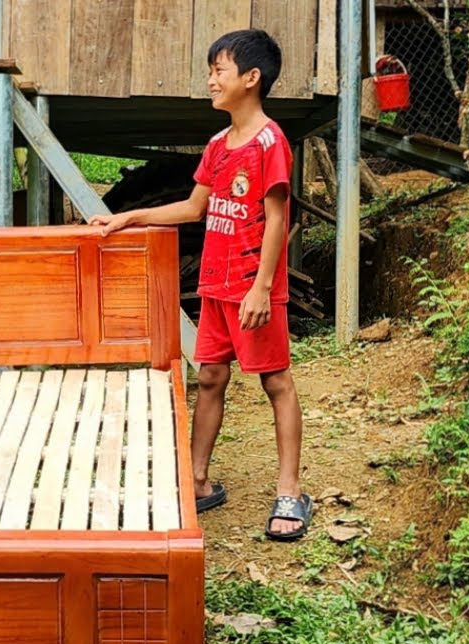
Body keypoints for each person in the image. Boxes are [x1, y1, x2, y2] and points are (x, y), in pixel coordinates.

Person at [89, 29, 311, 540]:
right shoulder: (217, 144)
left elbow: (277, 218)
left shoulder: (269, 142)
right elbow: (194, 207)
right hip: (215, 288)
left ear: (251, 79)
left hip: (253, 290)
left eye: (220, 70)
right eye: (211, 70)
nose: (211, 79)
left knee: (275, 382)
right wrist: (131, 217)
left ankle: (289, 492)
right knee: (210, 378)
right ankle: (197, 479)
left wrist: (260, 288)